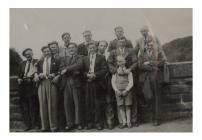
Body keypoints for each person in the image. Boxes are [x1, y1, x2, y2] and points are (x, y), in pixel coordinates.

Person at [107, 39, 139, 127]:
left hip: (128, 77)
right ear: (117, 43)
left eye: (123, 42)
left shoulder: (131, 51)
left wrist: (129, 69)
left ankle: (133, 120)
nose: (121, 43)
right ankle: (122, 122)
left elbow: (135, 62)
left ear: (126, 43)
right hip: (117, 78)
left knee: (132, 101)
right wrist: (115, 70)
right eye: (119, 42)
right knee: (120, 104)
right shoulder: (113, 52)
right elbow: (109, 63)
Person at [138, 36, 167, 126]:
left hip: (156, 78)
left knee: (157, 98)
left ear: (154, 44)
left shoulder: (158, 51)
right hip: (146, 78)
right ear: (145, 45)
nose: (149, 46)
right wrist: (151, 67)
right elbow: (140, 65)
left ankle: (156, 118)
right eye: (148, 44)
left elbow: (163, 62)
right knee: (149, 97)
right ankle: (152, 116)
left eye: (151, 44)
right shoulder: (142, 54)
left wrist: (150, 62)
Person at [35, 46, 60, 132]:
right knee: (43, 105)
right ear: (42, 53)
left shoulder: (56, 60)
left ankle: (53, 126)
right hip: (42, 84)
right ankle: (45, 127)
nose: (47, 52)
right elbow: (37, 72)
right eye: (45, 51)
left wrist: (54, 74)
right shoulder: (40, 62)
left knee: (52, 104)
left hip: (52, 83)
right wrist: (39, 75)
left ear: (51, 51)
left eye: (48, 51)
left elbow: (59, 71)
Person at [59, 43, 84, 131]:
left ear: (76, 48)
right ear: (67, 49)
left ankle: (79, 123)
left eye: (73, 47)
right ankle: (69, 123)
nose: (71, 49)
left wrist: (67, 69)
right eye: (69, 48)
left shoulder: (80, 57)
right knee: (67, 103)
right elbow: (61, 68)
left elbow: (79, 65)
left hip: (76, 82)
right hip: (66, 82)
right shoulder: (64, 58)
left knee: (77, 103)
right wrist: (69, 69)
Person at [83, 43, 108, 130]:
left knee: (97, 103)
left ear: (96, 48)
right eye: (90, 48)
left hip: (97, 83)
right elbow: (82, 70)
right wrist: (87, 75)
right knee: (88, 103)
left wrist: (95, 75)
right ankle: (90, 122)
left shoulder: (101, 57)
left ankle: (98, 123)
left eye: (93, 47)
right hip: (87, 83)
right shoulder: (85, 58)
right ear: (88, 48)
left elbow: (104, 69)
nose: (92, 49)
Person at [17, 48, 39, 131]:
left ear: (32, 53)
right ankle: (28, 125)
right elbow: (19, 75)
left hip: (32, 86)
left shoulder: (37, 61)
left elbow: (39, 71)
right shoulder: (22, 63)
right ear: (25, 56)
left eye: (29, 53)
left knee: (34, 105)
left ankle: (35, 124)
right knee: (25, 106)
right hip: (23, 87)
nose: (28, 55)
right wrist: (19, 78)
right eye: (26, 54)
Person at [111, 55, 134, 129]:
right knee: (121, 106)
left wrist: (126, 90)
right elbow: (113, 82)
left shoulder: (129, 71)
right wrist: (116, 90)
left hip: (127, 91)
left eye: (122, 61)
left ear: (125, 61)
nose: (120, 63)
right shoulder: (115, 72)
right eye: (118, 61)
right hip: (118, 91)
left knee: (127, 106)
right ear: (117, 63)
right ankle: (123, 122)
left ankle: (128, 122)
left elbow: (131, 82)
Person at [97, 40, 115, 129]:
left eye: (104, 46)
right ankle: (101, 122)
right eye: (101, 45)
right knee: (99, 102)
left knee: (109, 101)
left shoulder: (109, 55)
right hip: (98, 81)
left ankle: (110, 121)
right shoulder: (94, 56)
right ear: (98, 46)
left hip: (108, 80)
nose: (102, 47)